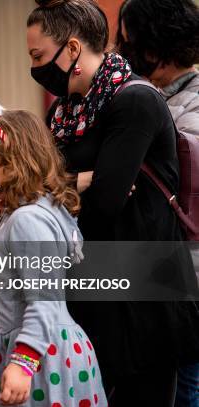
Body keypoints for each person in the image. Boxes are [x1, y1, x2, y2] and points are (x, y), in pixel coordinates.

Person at [26, 0, 199, 405]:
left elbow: (104, 203)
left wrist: (60, 190)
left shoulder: (135, 100)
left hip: (143, 300)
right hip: (88, 290)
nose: (35, 67)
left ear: (71, 50)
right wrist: (75, 183)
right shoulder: (65, 112)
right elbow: (36, 190)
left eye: (38, 56)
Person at [0, 84, 107, 406]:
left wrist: (23, 362)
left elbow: (43, 297)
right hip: (31, 349)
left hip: (38, 358)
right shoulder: (18, 215)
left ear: (15, 162)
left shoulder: (28, 221)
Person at [116, 1, 199, 406]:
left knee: (185, 385)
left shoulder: (176, 105)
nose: (123, 51)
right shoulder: (158, 97)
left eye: (129, 42)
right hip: (164, 272)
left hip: (183, 274)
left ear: (155, 47)